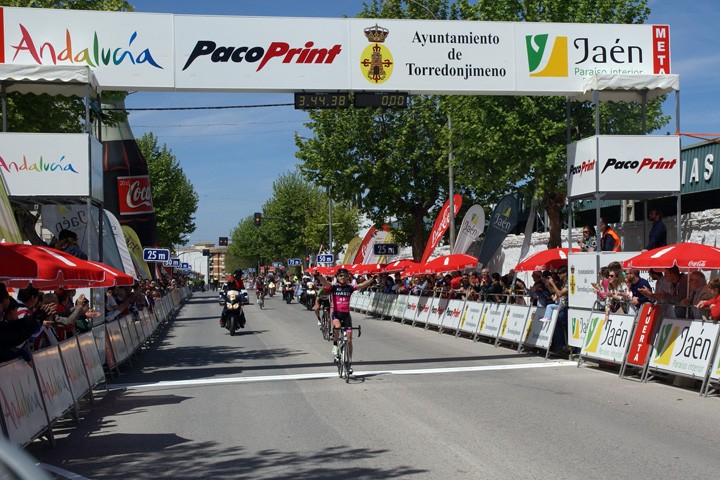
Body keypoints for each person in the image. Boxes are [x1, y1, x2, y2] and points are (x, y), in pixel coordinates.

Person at [315, 268, 376, 373]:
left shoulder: (350, 288)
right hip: (336, 314)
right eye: (340, 276)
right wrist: (318, 275)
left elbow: (361, 285)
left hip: (346, 315)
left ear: (348, 277)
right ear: (337, 277)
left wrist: (372, 279)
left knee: (349, 340)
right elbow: (325, 282)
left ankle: (349, 363)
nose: (343, 278)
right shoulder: (333, 287)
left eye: (345, 276)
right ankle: (335, 345)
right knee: (337, 327)